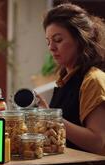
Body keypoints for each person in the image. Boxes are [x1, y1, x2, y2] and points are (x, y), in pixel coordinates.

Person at [38, 3, 105, 155]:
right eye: (48, 41)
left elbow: (99, 143)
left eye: (58, 40)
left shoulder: (93, 80)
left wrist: (52, 118)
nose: (51, 47)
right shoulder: (66, 80)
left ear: (80, 39)